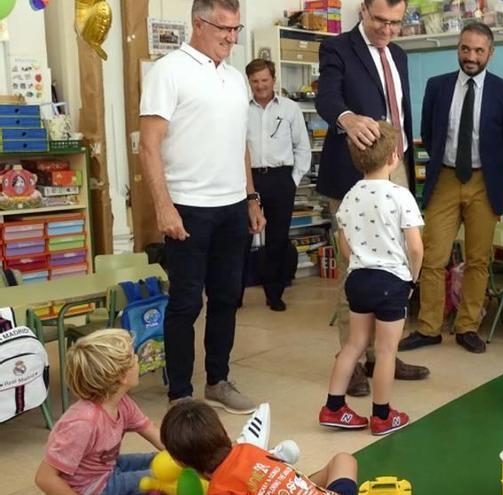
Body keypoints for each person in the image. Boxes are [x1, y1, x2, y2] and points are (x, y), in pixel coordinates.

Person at [139, 0, 264, 414]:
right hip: (188, 208)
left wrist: (250, 196)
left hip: (231, 207)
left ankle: (218, 379)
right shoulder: (168, 71)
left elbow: (239, 145)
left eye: (236, 30)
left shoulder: (234, 79)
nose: (231, 38)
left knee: (227, 297)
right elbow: (149, 146)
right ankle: (180, 393)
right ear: (198, 23)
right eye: (223, 29)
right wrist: (164, 207)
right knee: (186, 302)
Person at [316, 0, 428, 396]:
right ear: (363, 9)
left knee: (394, 264)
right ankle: (355, 361)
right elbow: (326, 97)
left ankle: (385, 354)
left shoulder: (397, 53)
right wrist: (347, 119)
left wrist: (407, 162)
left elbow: (401, 113)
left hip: (395, 167)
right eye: (380, 20)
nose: (387, 29)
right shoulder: (338, 48)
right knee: (357, 266)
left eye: (396, 23)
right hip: (353, 173)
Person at [398, 22, 503, 354]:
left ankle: (467, 326)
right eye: (465, 48)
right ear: (458, 48)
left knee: (478, 260)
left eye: (479, 50)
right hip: (446, 179)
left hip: (486, 181)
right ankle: (428, 328)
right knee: (432, 257)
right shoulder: (437, 87)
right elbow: (427, 130)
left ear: (490, 53)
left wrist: (495, 167)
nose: (471, 56)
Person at [319, 121, 423, 436]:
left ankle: (333, 407)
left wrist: (362, 263)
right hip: (391, 281)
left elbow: (344, 245)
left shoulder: (350, 196)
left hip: (358, 279)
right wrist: (412, 281)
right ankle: (381, 415)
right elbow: (416, 248)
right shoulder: (400, 196)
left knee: (353, 344)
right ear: (394, 156)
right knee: (386, 351)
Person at [35, 330, 163, 495]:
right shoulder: (83, 423)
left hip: (108, 470)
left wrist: (187, 457)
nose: (138, 359)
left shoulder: (122, 403)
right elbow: (45, 478)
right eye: (133, 357)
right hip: (91, 488)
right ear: (121, 376)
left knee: (161, 461)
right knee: (164, 478)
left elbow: (152, 431)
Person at [162, 400, 359, 495]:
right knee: (344, 459)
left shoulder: (219, 490)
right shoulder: (249, 449)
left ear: (179, 462)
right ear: (223, 431)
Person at [243, 58, 312, 312]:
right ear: (248, 82)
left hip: (281, 179)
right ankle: (235, 295)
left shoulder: (290, 108)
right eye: (255, 81)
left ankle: (274, 294)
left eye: (264, 80)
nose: (260, 86)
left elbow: (303, 148)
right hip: (248, 179)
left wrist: (291, 182)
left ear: (273, 80)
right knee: (240, 238)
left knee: (277, 240)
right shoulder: (241, 108)